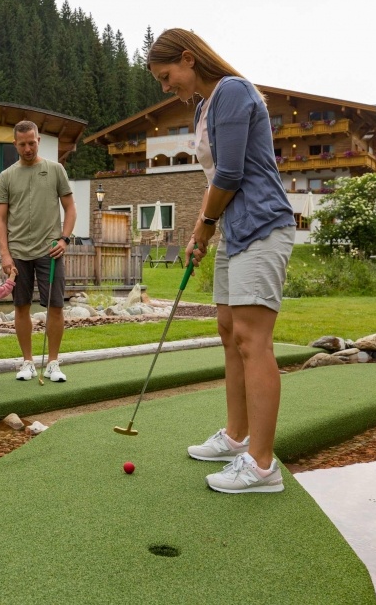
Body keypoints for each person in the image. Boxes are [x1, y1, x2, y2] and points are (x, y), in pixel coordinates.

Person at [146, 28, 296, 493]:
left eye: (167, 76)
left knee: (254, 340)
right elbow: (216, 178)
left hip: (263, 225)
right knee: (230, 332)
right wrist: (201, 230)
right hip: (235, 227)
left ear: (189, 59)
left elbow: (231, 172)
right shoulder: (204, 107)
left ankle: (262, 466)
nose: (166, 87)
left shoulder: (232, 91)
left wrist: (204, 227)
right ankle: (236, 438)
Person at [0, 120, 77, 383]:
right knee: (21, 306)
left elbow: (71, 208)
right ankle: (27, 362)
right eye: (22, 144)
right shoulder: (7, 176)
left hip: (49, 251)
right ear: (15, 144)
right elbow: (1, 220)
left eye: (32, 142)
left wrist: (64, 239)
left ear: (38, 140)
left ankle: (53, 363)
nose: (28, 148)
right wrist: (5, 254)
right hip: (18, 252)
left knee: (55, 307)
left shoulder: (55, 170)